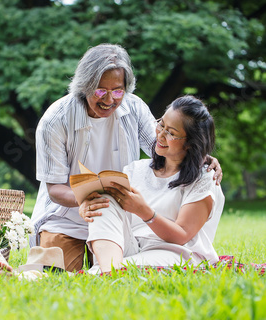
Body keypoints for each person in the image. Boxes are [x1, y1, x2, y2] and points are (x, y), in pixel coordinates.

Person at [30, 43, 222, 272]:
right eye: (100, 90)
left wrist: (201, 155)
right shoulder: (55, 121)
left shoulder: (134, 108)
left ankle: (107, 270)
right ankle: (106, 270)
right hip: (64, 217)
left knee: (108, 216)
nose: (109, 99)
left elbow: (164, 143)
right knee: (55, 277)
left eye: (118, 91)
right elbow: (55, 189)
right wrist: (86, 200)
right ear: (84, 86)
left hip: (119, 214)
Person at [79, 95, 225, 274]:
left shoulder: (204, 178)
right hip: (132, 246)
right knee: (105, 198)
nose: (160, 135)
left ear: (190, 143)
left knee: (117, 268)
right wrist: (88, 206)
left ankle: (106, 271)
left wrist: (143, 211)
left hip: (177, 252)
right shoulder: (136, 169)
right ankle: (110, 271)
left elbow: (182, 235)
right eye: (161, 124)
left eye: (171, 132)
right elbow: (110, 215)